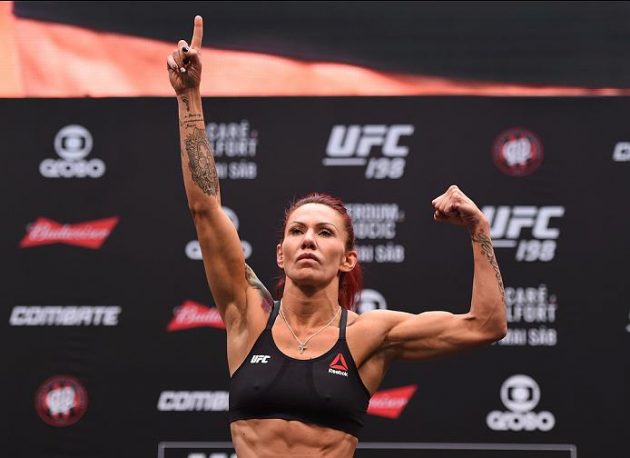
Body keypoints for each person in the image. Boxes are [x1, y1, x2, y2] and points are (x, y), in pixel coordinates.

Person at [167, 15, 507, 458]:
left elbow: (486, 324)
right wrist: (189, 97)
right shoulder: (246, 316)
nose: (308, 239)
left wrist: (479, 230)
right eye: (297, 231)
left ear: (347, 258)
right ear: (280, 254)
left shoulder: (371, 335)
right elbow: (205, 208)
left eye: (324, 232)